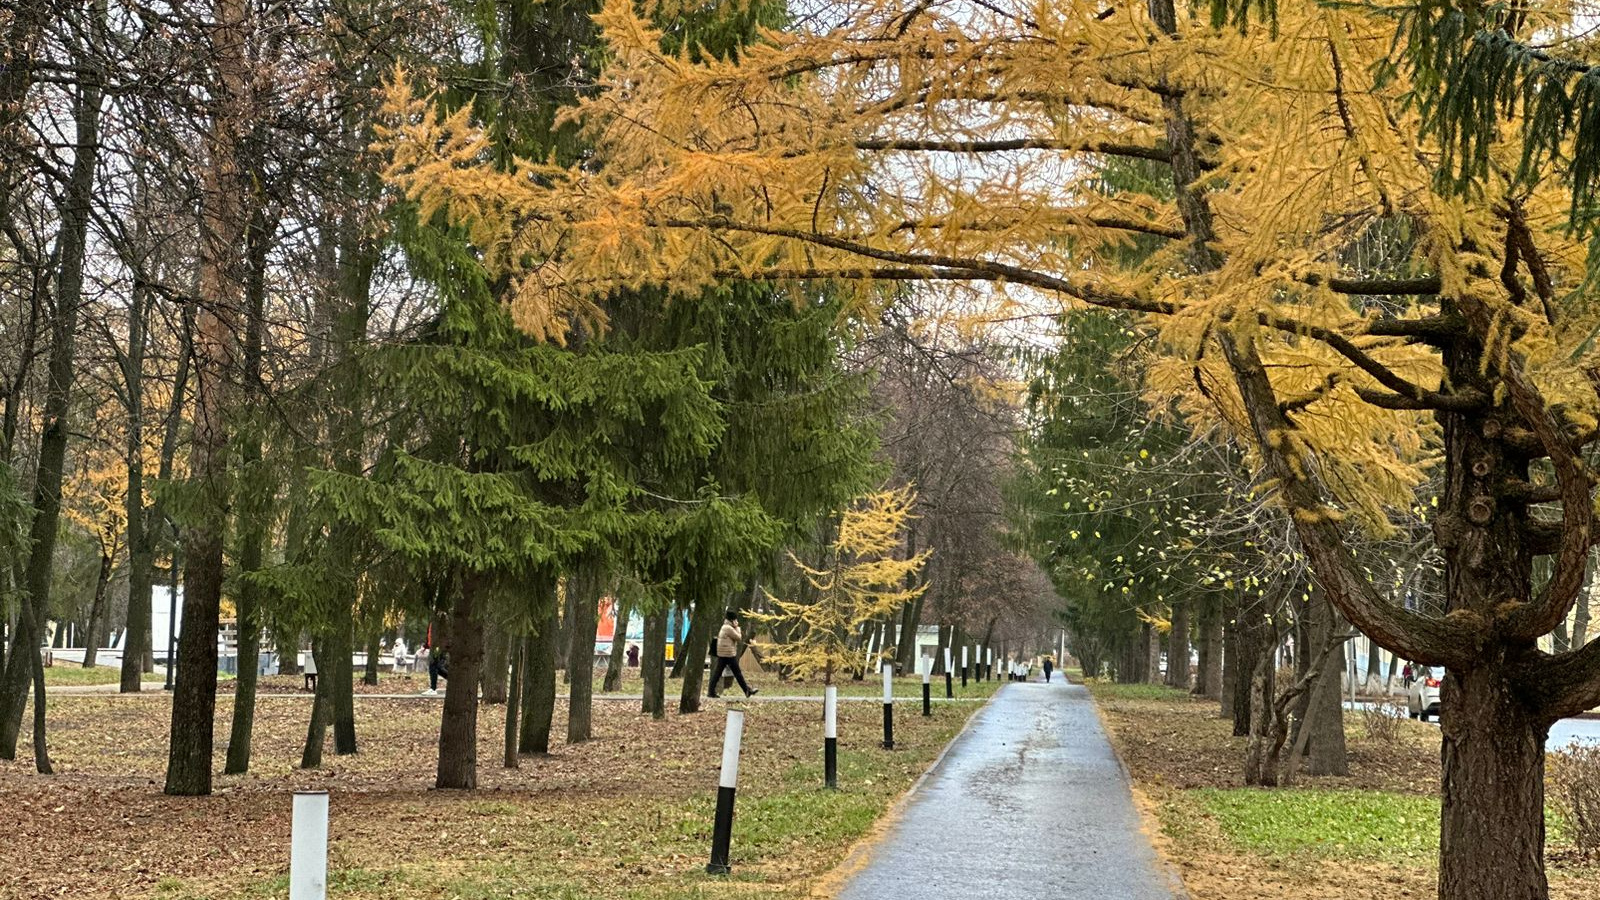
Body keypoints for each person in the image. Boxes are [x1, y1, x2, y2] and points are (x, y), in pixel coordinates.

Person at [708, 610, 757, 699]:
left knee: (718, 673)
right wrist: (737, 627)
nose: (736, 621)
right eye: (735, 620)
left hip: (724, 654)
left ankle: (711, 691)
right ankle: (747, 691)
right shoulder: (728, 628)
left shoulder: (725, 626)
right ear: (732, 620)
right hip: (728, 654)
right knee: (738, 673)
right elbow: (738, 637)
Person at [423, 623, 449, 696]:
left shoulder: (441, 620)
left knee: (433, 666)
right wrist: (426, 646)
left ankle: (433, 689)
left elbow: (443, 635)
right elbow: (429, 634)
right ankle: (453, 680)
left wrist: (443, 646)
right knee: (438, 668)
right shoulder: (432, 621)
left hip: (438, 647)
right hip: (433, 646)